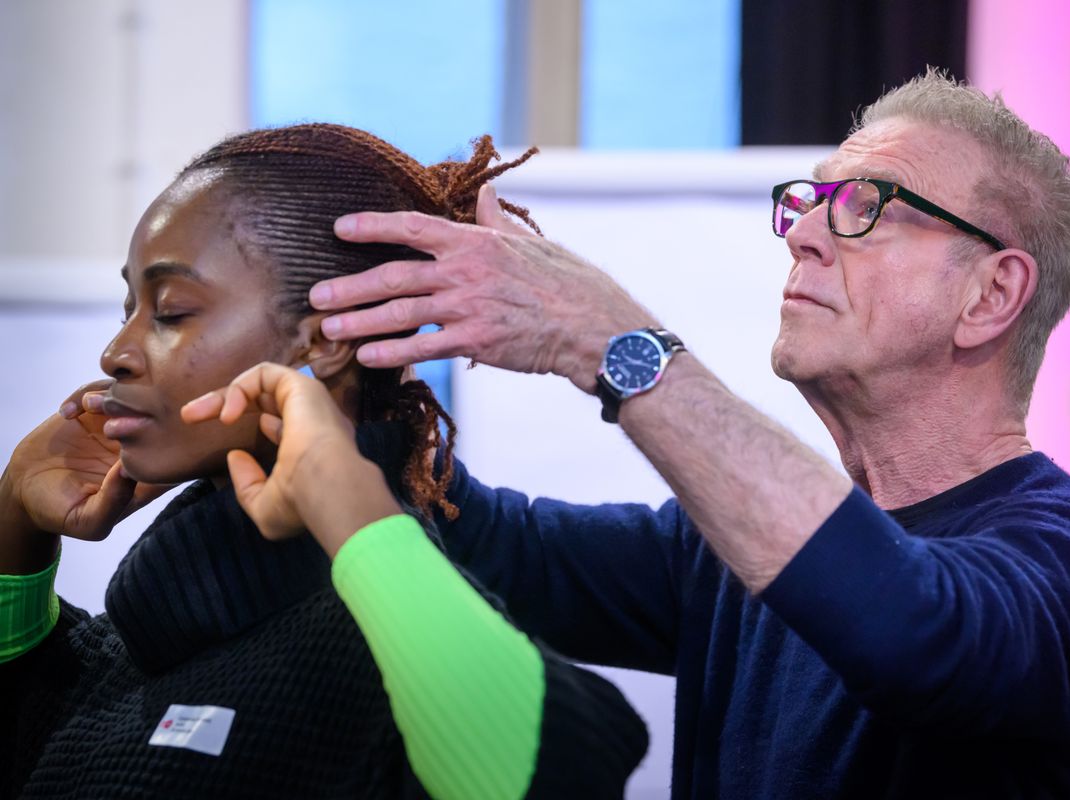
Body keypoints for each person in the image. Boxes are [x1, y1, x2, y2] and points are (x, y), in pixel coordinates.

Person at [306, 71, 1070, 798]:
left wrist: (606, 338)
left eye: (866, 206)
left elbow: (907, 630)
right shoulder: (720, 556)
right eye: (811, 201)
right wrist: (359, 382)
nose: (806, 235)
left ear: (989, 295)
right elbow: (500, 551)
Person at [0, 124, 647, 799]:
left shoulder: (380, 655)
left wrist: (350, 504)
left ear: (323, 344)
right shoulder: (142, 649)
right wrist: (15, 516)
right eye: (129, 307)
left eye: (169, 311)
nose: (116, 353)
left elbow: (564, 766)